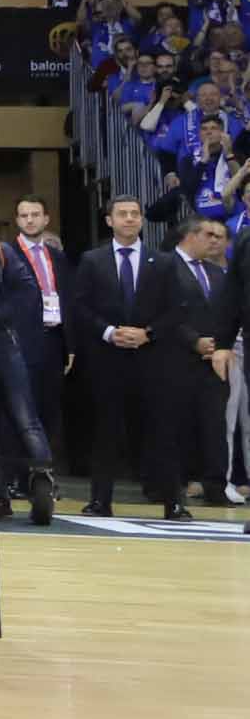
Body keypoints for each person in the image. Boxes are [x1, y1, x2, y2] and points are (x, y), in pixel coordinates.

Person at [68, 194, 178, 516]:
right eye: (123, 214)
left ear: (142, 220)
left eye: (135, 214)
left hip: (152, 359)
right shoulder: (92, 260)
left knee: (161, 431)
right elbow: (80, 306)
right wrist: (109, 332)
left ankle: (173, 502)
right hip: (108, 359)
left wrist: (148, 334)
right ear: (109, 221)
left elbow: (176, 310)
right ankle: (101, 500)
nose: (129, 219)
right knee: (106, 432)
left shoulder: (164, 261)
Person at [0, 196, 57, 527]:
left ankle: (42, 479)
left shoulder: (2, 253)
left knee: (25, 417)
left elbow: (27, 292)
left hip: (1, 343)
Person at [157, 215, 237, 518]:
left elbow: (228, 313)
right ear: (190, 236)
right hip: (175, 360)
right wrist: (193, 341)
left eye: (219, 236)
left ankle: (215, 485)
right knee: (177, 426)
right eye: (209, 235)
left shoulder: (218, 273)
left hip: (213, 362)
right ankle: (173, 488)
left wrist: (222, 344)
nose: (215, 241)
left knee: (215, 424)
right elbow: (162, 312)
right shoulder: (164, 266)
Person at [9, 194, 69, 474]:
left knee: (48, 409)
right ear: (17, 220)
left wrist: (71, 346)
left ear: (46, 219)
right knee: (18, 410)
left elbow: (68, 299)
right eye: (24, 215)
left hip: (53, 339)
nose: (30, 220)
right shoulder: (6, 254)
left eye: (35, 215)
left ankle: (42, 476)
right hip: (19, 342)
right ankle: (16, 476)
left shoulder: (56, 256)